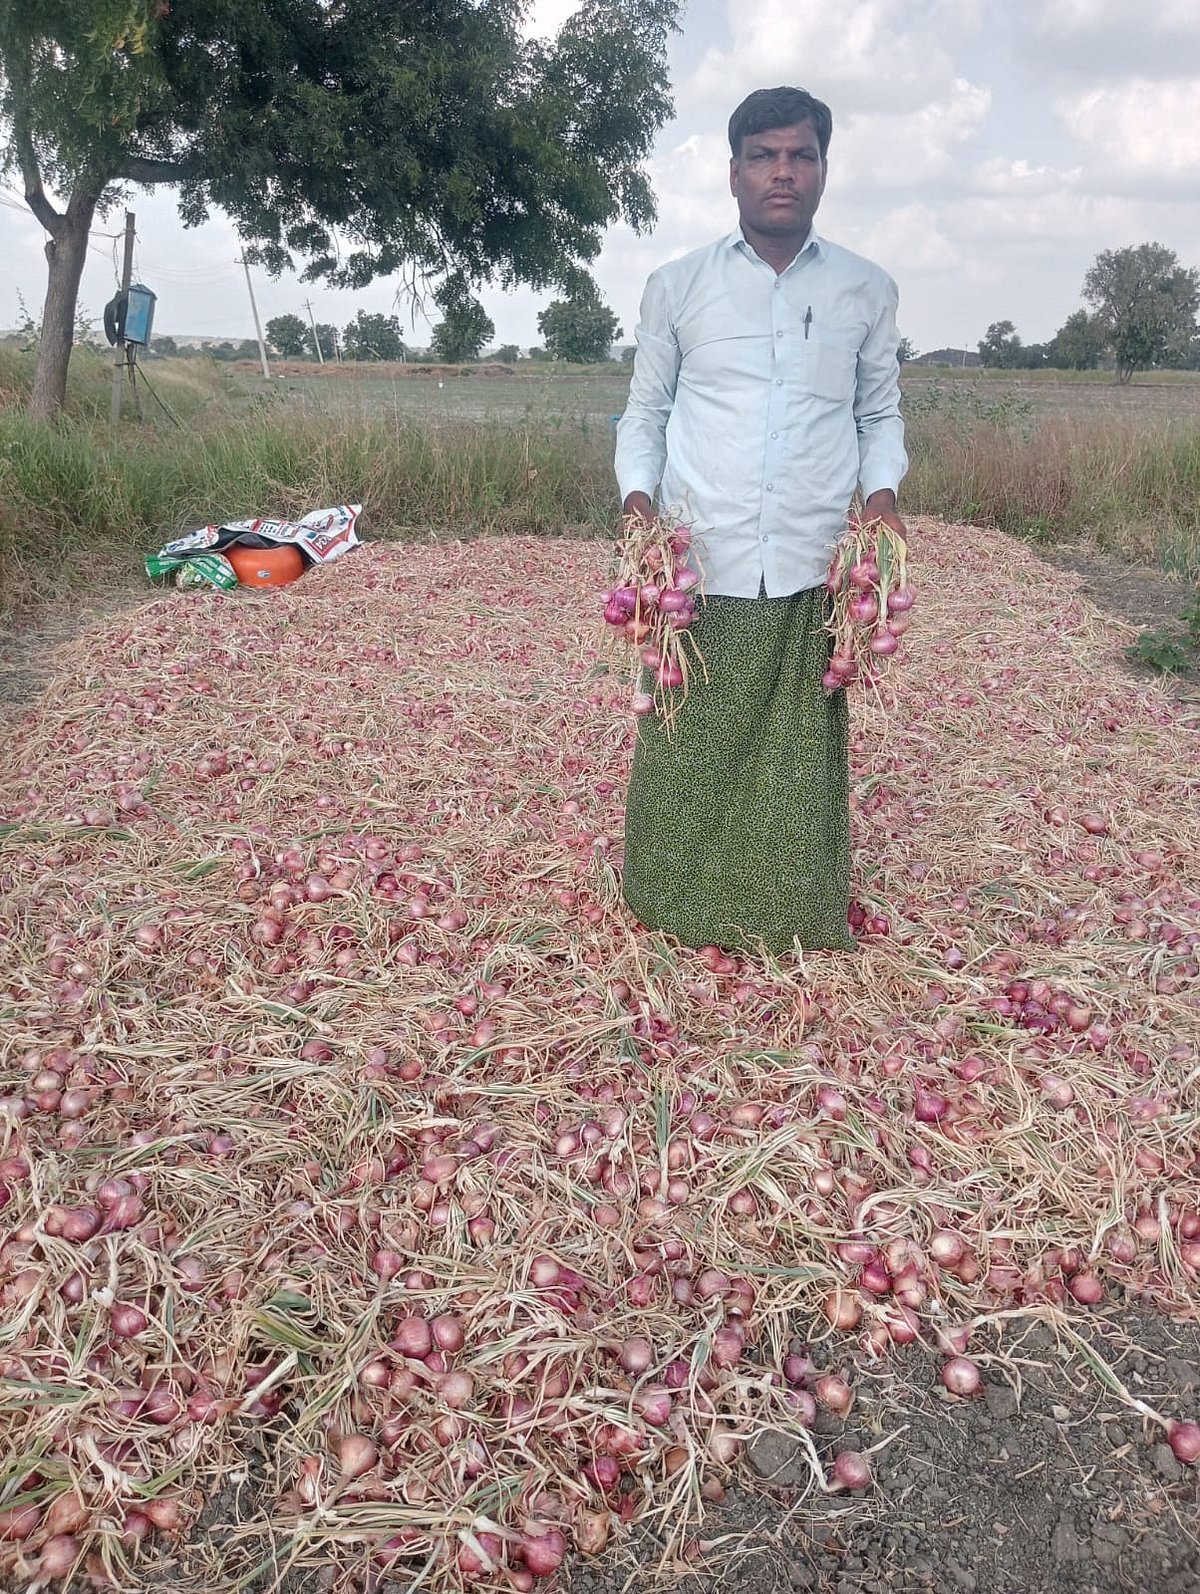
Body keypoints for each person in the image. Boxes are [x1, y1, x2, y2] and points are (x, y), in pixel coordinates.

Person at [615, 85, 908, 955]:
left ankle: (788, 912)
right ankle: (669, 897)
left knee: (795, 753)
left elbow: (878, 414)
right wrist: (638, 504)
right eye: (764, 156)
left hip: (816, 562)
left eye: (801, 155)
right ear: (734, 173)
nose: (783, 171)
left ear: (823, 169)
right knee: (687, 741)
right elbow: (646, 414)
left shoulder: (864, 288)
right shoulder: (679, 287)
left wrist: (883, 498)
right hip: (696, 562)